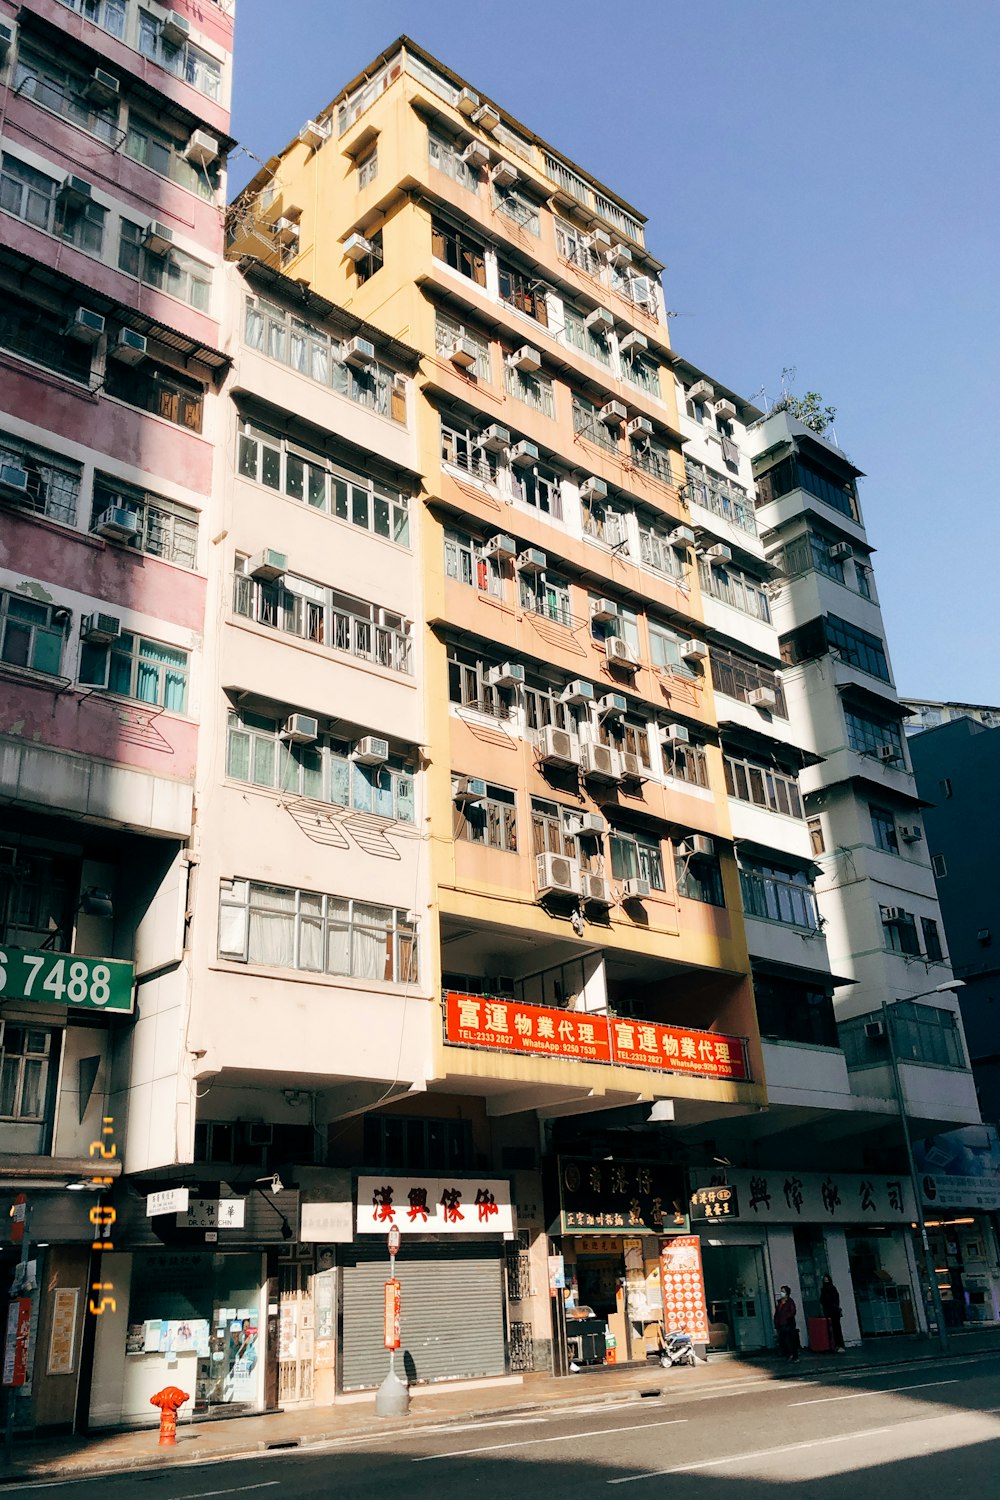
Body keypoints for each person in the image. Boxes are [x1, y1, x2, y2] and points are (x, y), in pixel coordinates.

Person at [820, 1274, 845, 1351]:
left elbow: (825, 1300)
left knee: (836, 1328)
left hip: (832, 1311)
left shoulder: (830, 1289)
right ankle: (836, 1345)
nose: (826, 1282)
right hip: (830, 1311)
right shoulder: (827, 1289)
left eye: (827, 1280)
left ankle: (838, 1345)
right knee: (834, 1329)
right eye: (825, 1280)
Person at [774, 1285, 799, 1362]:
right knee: (783, 1341)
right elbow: (777, 1313)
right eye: (781, 1291)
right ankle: (788, 1355)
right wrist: (776, 1322)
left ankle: (794, 1356)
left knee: (790, 1340)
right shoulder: (780, 1302)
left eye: (783, 1291)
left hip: (788, 1324)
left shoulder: (790, 1302)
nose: (782, 1293)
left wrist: (786, 1317)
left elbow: (793, 1312)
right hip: (781, 1324)